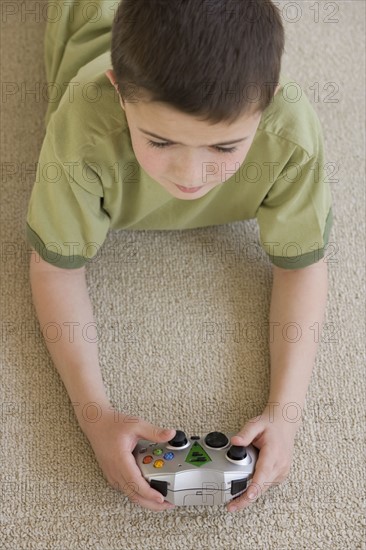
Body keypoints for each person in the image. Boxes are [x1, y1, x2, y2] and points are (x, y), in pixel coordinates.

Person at [26, 0, 334, 512]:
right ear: (118, 92)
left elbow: (302, 267)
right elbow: (55, 268)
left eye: (224, 147)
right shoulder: (82, 126)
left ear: (269, 104)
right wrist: (94, 414)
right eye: (160, 140)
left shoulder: (291, 132)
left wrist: (287, 412)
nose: (190, 175)